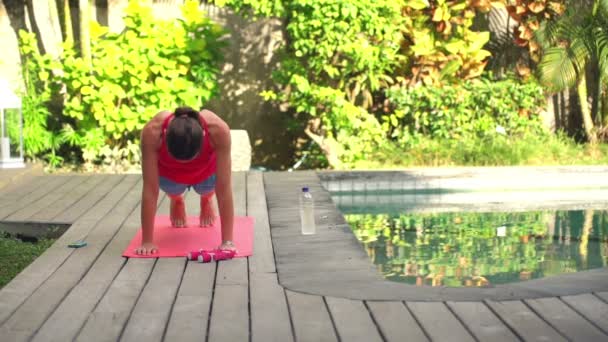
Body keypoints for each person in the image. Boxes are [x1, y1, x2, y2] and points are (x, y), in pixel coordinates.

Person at [135, 106, 235, 255]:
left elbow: (224, 187)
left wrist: (227, 241)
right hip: (170, 175)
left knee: (207, 189)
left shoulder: (218, 130)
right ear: (165, 135)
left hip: (206, 174)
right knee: (173, 189)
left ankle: (206, 199)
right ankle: (176, 200)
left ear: (202, 135)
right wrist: (147, 241)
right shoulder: (153, 132)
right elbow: (150, 188)